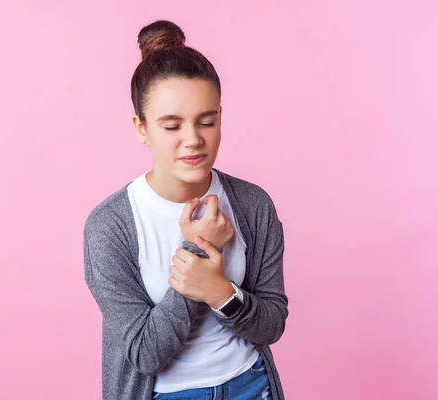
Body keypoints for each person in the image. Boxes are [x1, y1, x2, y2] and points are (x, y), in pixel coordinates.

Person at [83, 20, 288, 400]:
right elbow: (145, 354)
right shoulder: (110, 227)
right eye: (171, 126)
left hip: (251, 386)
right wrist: (199, 253)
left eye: (206, 121)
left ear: (221, 118)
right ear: (141, 128)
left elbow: (271, 324)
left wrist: (220, 291)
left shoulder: (252, 205)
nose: (193, 140)